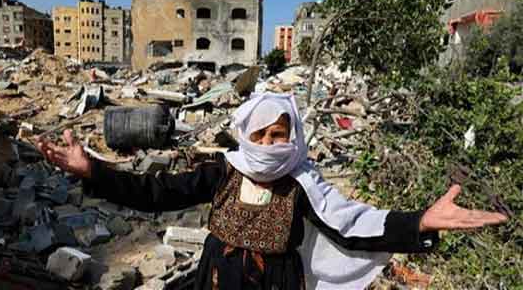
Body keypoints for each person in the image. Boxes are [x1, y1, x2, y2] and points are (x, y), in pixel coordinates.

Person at [36, 93, 507, 290]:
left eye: (277, 135)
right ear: (245, 135)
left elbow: (352, 224)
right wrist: (92, 169)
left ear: (293, 137)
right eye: (259, 135)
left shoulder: (302, 183)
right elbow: (154, 192)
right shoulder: (223, 172)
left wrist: (419, 223)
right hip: (215, 281)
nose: (267, 145)